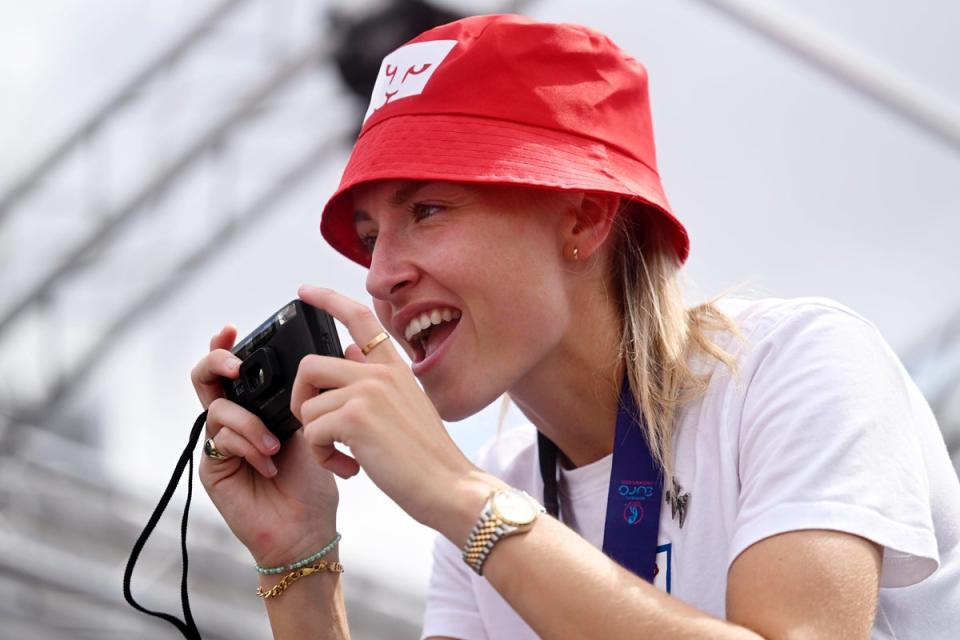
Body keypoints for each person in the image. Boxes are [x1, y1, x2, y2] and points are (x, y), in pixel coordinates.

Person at [191, 13, 960, 639]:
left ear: (584, 217)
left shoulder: (803, 367)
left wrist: (459, 495)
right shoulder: (499, 491)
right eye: (369, 235)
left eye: (426, 210)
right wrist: (299, 565)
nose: (378, 273)